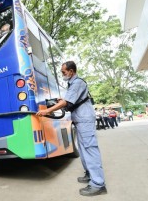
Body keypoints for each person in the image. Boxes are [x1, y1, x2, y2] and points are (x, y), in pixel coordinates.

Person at [36, 61, 107, 196]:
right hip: (80, 120)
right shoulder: (72, 84)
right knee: (83, 148)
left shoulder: (77, 82)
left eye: (64, 72)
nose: (62, 74)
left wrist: (48, 110)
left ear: (71, 71)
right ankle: (90, 174)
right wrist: (59, 101)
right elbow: (67, 101)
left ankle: (98, 184)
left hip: (84, 119)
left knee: (89, 148)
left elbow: (67, 102)